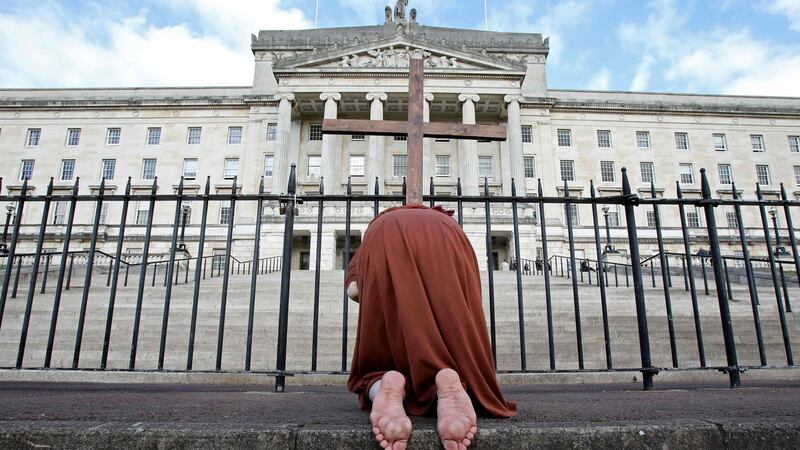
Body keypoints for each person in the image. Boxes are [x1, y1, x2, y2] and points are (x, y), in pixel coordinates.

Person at [346, 205, 516, 450]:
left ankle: (384, 384)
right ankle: (448, 379)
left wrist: (391, 290)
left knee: (371, 374)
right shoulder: (447, 221)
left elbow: (355, 290)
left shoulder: (379, 223)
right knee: (455, 356)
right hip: (446, 232)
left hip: (384, 231)